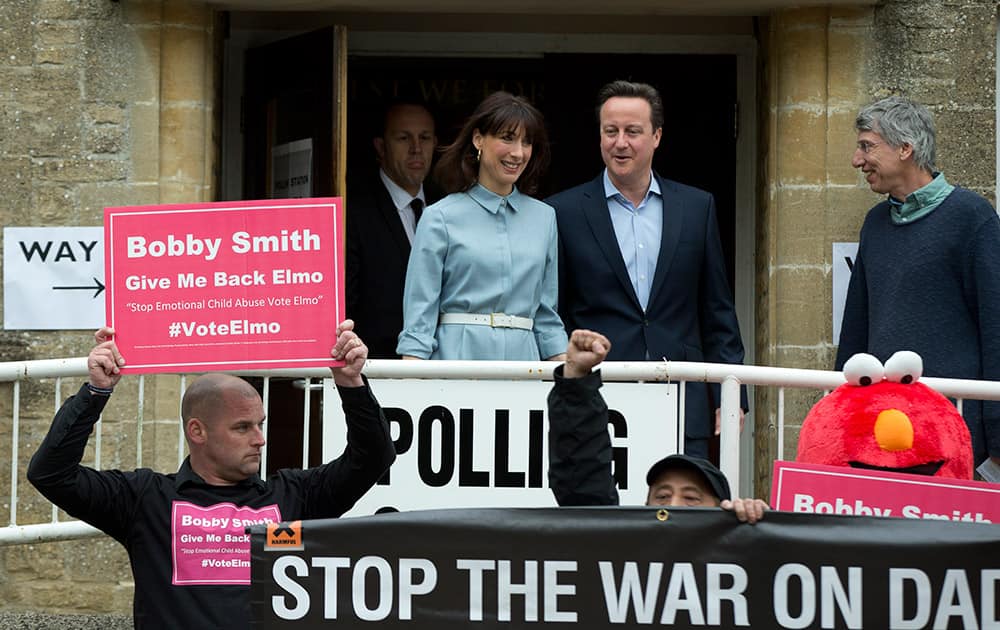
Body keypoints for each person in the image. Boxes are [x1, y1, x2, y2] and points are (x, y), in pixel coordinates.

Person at [27, 320, 395, 629]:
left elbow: (373, 458)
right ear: (197, 431)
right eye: (242, 428)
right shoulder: (145, 499)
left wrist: (351, 383)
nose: (260, 439)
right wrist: (95, 392)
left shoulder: (294, 495)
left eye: (260, 424)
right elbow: (51, 474)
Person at [547, 80, 746, 459]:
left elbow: (717, 312)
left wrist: (731, 394)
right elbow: (553, 311)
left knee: (683, 515)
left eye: (632, 132)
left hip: (684, 402)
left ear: (656, 136)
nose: (620, 142)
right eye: (611, 131)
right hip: (598, 398)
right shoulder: (562, 212)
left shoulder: (696, 207)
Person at [836, 95, 1000, 469]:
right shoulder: (875, 224)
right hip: (879, 429)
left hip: (953, 434)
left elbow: (996, 329)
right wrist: (839, 418)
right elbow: (855, 331)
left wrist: (998, 441)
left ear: (905, 148)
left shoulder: (972, 218)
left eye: (867, 146)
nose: (857, 160)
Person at [396, 91, 567, 361]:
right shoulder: (439, 216)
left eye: (527, 142)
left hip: (524, 366)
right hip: (456, 361)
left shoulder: (544, 218)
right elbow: (420, 317)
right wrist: (412, 384)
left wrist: (573, 385)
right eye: (507, 138)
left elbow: (547, 317)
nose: (518, 152)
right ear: (478, 139)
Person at [548, 329, 766, 524]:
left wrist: (758, 526)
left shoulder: (736, 552)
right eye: (662, 496)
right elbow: (583, 488)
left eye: (691, 498)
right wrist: (576, 380)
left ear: (721, 510)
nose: (673, 506)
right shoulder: (618, 550)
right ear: (646, 506)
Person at [347, 100, 438, 358]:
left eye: (425, 138)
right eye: (403, 138)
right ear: (381, 146)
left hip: (443, 366)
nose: (416, 149)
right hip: (378, 367)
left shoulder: (448, 205)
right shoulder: (354, 213)